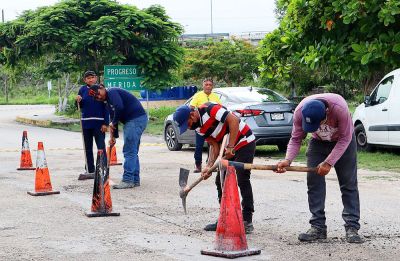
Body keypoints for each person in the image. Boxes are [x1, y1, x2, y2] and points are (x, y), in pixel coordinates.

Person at [275, 93, 363, 243]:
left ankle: (352, 228)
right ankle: (318, 227)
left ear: (326, 113)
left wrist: (329, 162)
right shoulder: (299, 111)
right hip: (317, 143)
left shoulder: (339, 108)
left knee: (348, 184)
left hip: (343, 143)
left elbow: (346, 138)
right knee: (314, 182)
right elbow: (296, 138)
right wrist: (287, 159)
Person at [173, 103, 256, 234]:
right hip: (228, 146)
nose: (188, 127)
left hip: (243, 141)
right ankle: (225, 217)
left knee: (242, 178)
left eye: (187, 123)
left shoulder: (210, 110)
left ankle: (247, 220)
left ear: (192, 114)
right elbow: (214, 145)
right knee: (220, 181)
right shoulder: (198, 128)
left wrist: (231, 146)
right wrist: (209, 166)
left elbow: (233, 120)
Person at [89, 84, 148, 189]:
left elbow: (119, 107)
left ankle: (127, 180)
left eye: (98, 94)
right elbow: (113, 118)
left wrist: (113, 122)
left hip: (135, 119)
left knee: (129, 151)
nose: (98, 97)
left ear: (102, 88)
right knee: (133, 151)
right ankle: (135, 180)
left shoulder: (112, 92)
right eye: (96, 98)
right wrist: (113, 137)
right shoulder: (107, 101)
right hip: (136, 120)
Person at [76, 71, 109, 177]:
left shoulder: (101, 89)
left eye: (92, 77)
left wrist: (106, 123)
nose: (90, 79)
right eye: (88, 78)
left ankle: (103, 169)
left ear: (96, 78)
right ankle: (90, 170)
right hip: (86, 123)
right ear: (85, 80)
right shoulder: (82, 90)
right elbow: (79, 106)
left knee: (101, 146)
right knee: (87, 147)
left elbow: (106, 107)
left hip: (99, 123)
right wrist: (78, 101)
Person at [189, 78, 221, 173]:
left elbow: (219, 108)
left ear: (212, 86)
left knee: (213, 145)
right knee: (199, 146)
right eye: (206, 84)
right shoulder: (198, 95)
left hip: (213, 127)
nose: (208, 86)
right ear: (203, 86)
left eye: (210, 85)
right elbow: (191, 107)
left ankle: (211, 165)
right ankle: (198, 165)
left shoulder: (215, 96)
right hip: (201, 126)